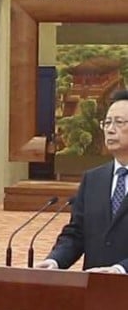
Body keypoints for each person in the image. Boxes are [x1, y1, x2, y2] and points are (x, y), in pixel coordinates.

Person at [37, 89, 128, 273]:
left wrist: (120, 269)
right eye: (107, 123)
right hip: (96, 290)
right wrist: (55, 260)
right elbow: (76, 233)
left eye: (119, 123)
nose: (110, 130)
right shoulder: (93, 179)